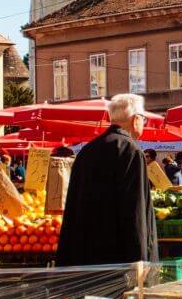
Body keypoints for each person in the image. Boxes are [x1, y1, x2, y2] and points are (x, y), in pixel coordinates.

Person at [56, 93, 158, 266]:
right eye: (144, 119)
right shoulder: (131, 151)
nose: (144, 124)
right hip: (118, 256)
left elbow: (73, 203)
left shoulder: (87, 150)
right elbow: (136, 209)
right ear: (135, 119)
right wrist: (140, 259)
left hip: (85, 254)